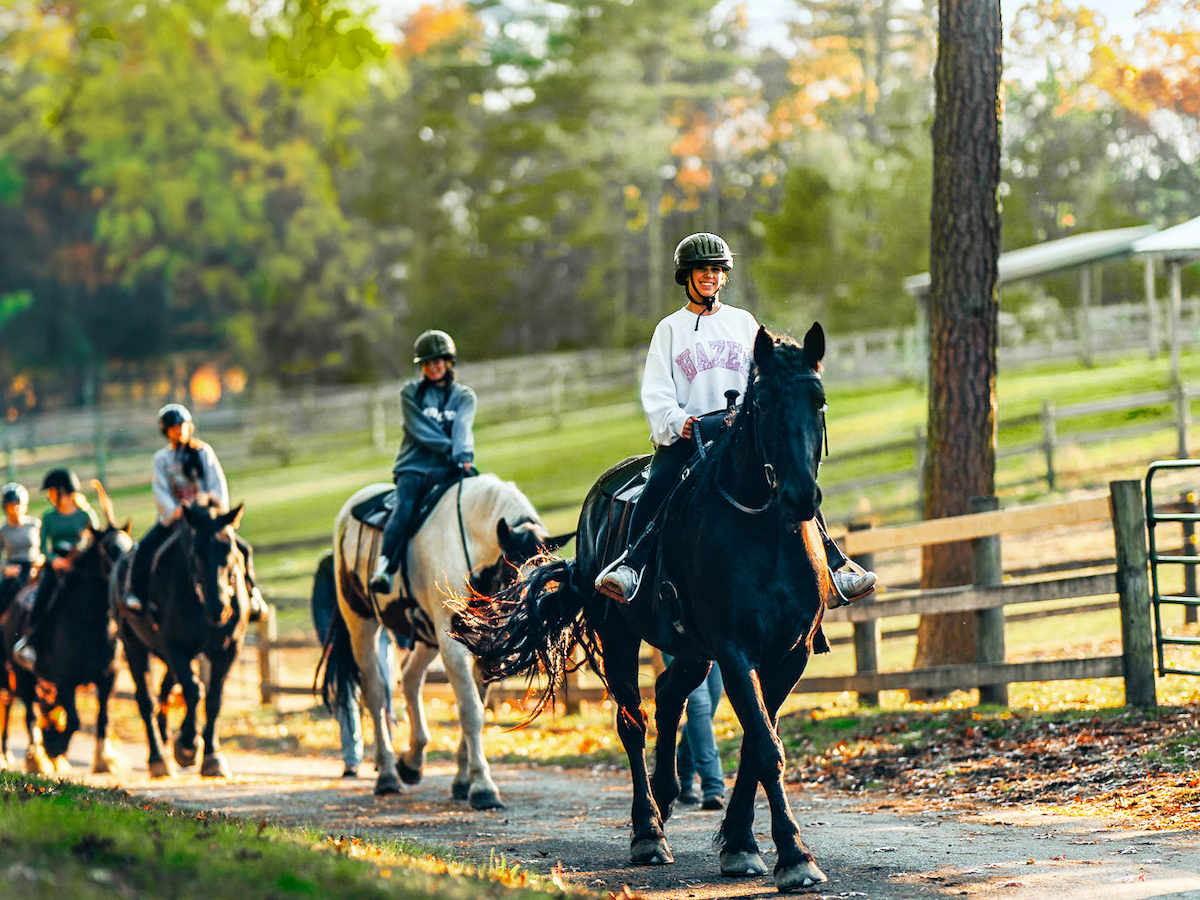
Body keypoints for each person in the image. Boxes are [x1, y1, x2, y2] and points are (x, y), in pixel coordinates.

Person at [595, 232, 876, 606]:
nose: (709, 276)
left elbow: (767, 375)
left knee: (794, 477)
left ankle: (835, 567)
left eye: (716, 270)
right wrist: (677, 421)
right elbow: (655, 390)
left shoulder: (744, 322)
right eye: (702, 270)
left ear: (723, 276)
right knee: (660, 482)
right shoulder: (669, 330)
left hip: (740, 433)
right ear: (687, 277)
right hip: (690, 433)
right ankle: (632, 564)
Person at [123, 403, 266, 620]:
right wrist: (174, 510)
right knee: (144, 549)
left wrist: (209, 500)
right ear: (166, 431)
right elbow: (160, 489)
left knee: (242, 549)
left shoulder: (203, 452)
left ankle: (252, 593)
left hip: (204, 518)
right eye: (173, 427)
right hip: (176, 518)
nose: (178, 430)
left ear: (189, 427)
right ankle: (139, 597)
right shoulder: (162, 459)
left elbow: (217, 483)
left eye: (182, 425)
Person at [370, 330, 478, 595]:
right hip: (414, 467)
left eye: (437, 362)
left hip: (449, 467)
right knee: (405, 508)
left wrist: (463, 455)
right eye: (426, 364)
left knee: (478, 497)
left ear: (448, 361)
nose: (432, 368)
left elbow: (462, 428)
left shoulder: (464, 397)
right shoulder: (411, 393)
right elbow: (420, 430)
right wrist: (451, 449)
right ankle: (384, 567)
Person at [310, 553, 397, 778]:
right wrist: (325, 638)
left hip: (378, 636)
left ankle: (384, 751)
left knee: (384, 689)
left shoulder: (374, 562)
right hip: (341, 637)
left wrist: (401, 637)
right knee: (345, 697)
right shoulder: (329, 564)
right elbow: (319, 604)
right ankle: (351, 759)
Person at [12, 468, 99, 669]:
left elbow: (96, 542)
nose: (49, 496)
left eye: (50, 491)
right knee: (43, 594)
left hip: (82, 568)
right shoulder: (49, 517)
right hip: (57, 567)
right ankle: (30, 639)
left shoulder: (86, 515)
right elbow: (42, 547)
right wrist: (55, 561)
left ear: (61, 491)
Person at [663, 655, 726, 810]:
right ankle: (713, 786)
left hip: (714, 640)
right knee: (698, 705)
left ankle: (682, 777)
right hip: (678, 638)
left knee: (710, 703)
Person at [0, 482, 43, 614]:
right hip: (15, 571)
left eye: (17, 505)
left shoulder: (35, 525)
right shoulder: (3, 531)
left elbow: (46, 548)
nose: (14, 509)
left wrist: (40, 561)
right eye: (10, 506)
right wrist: (6, 569)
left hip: (35, 568)